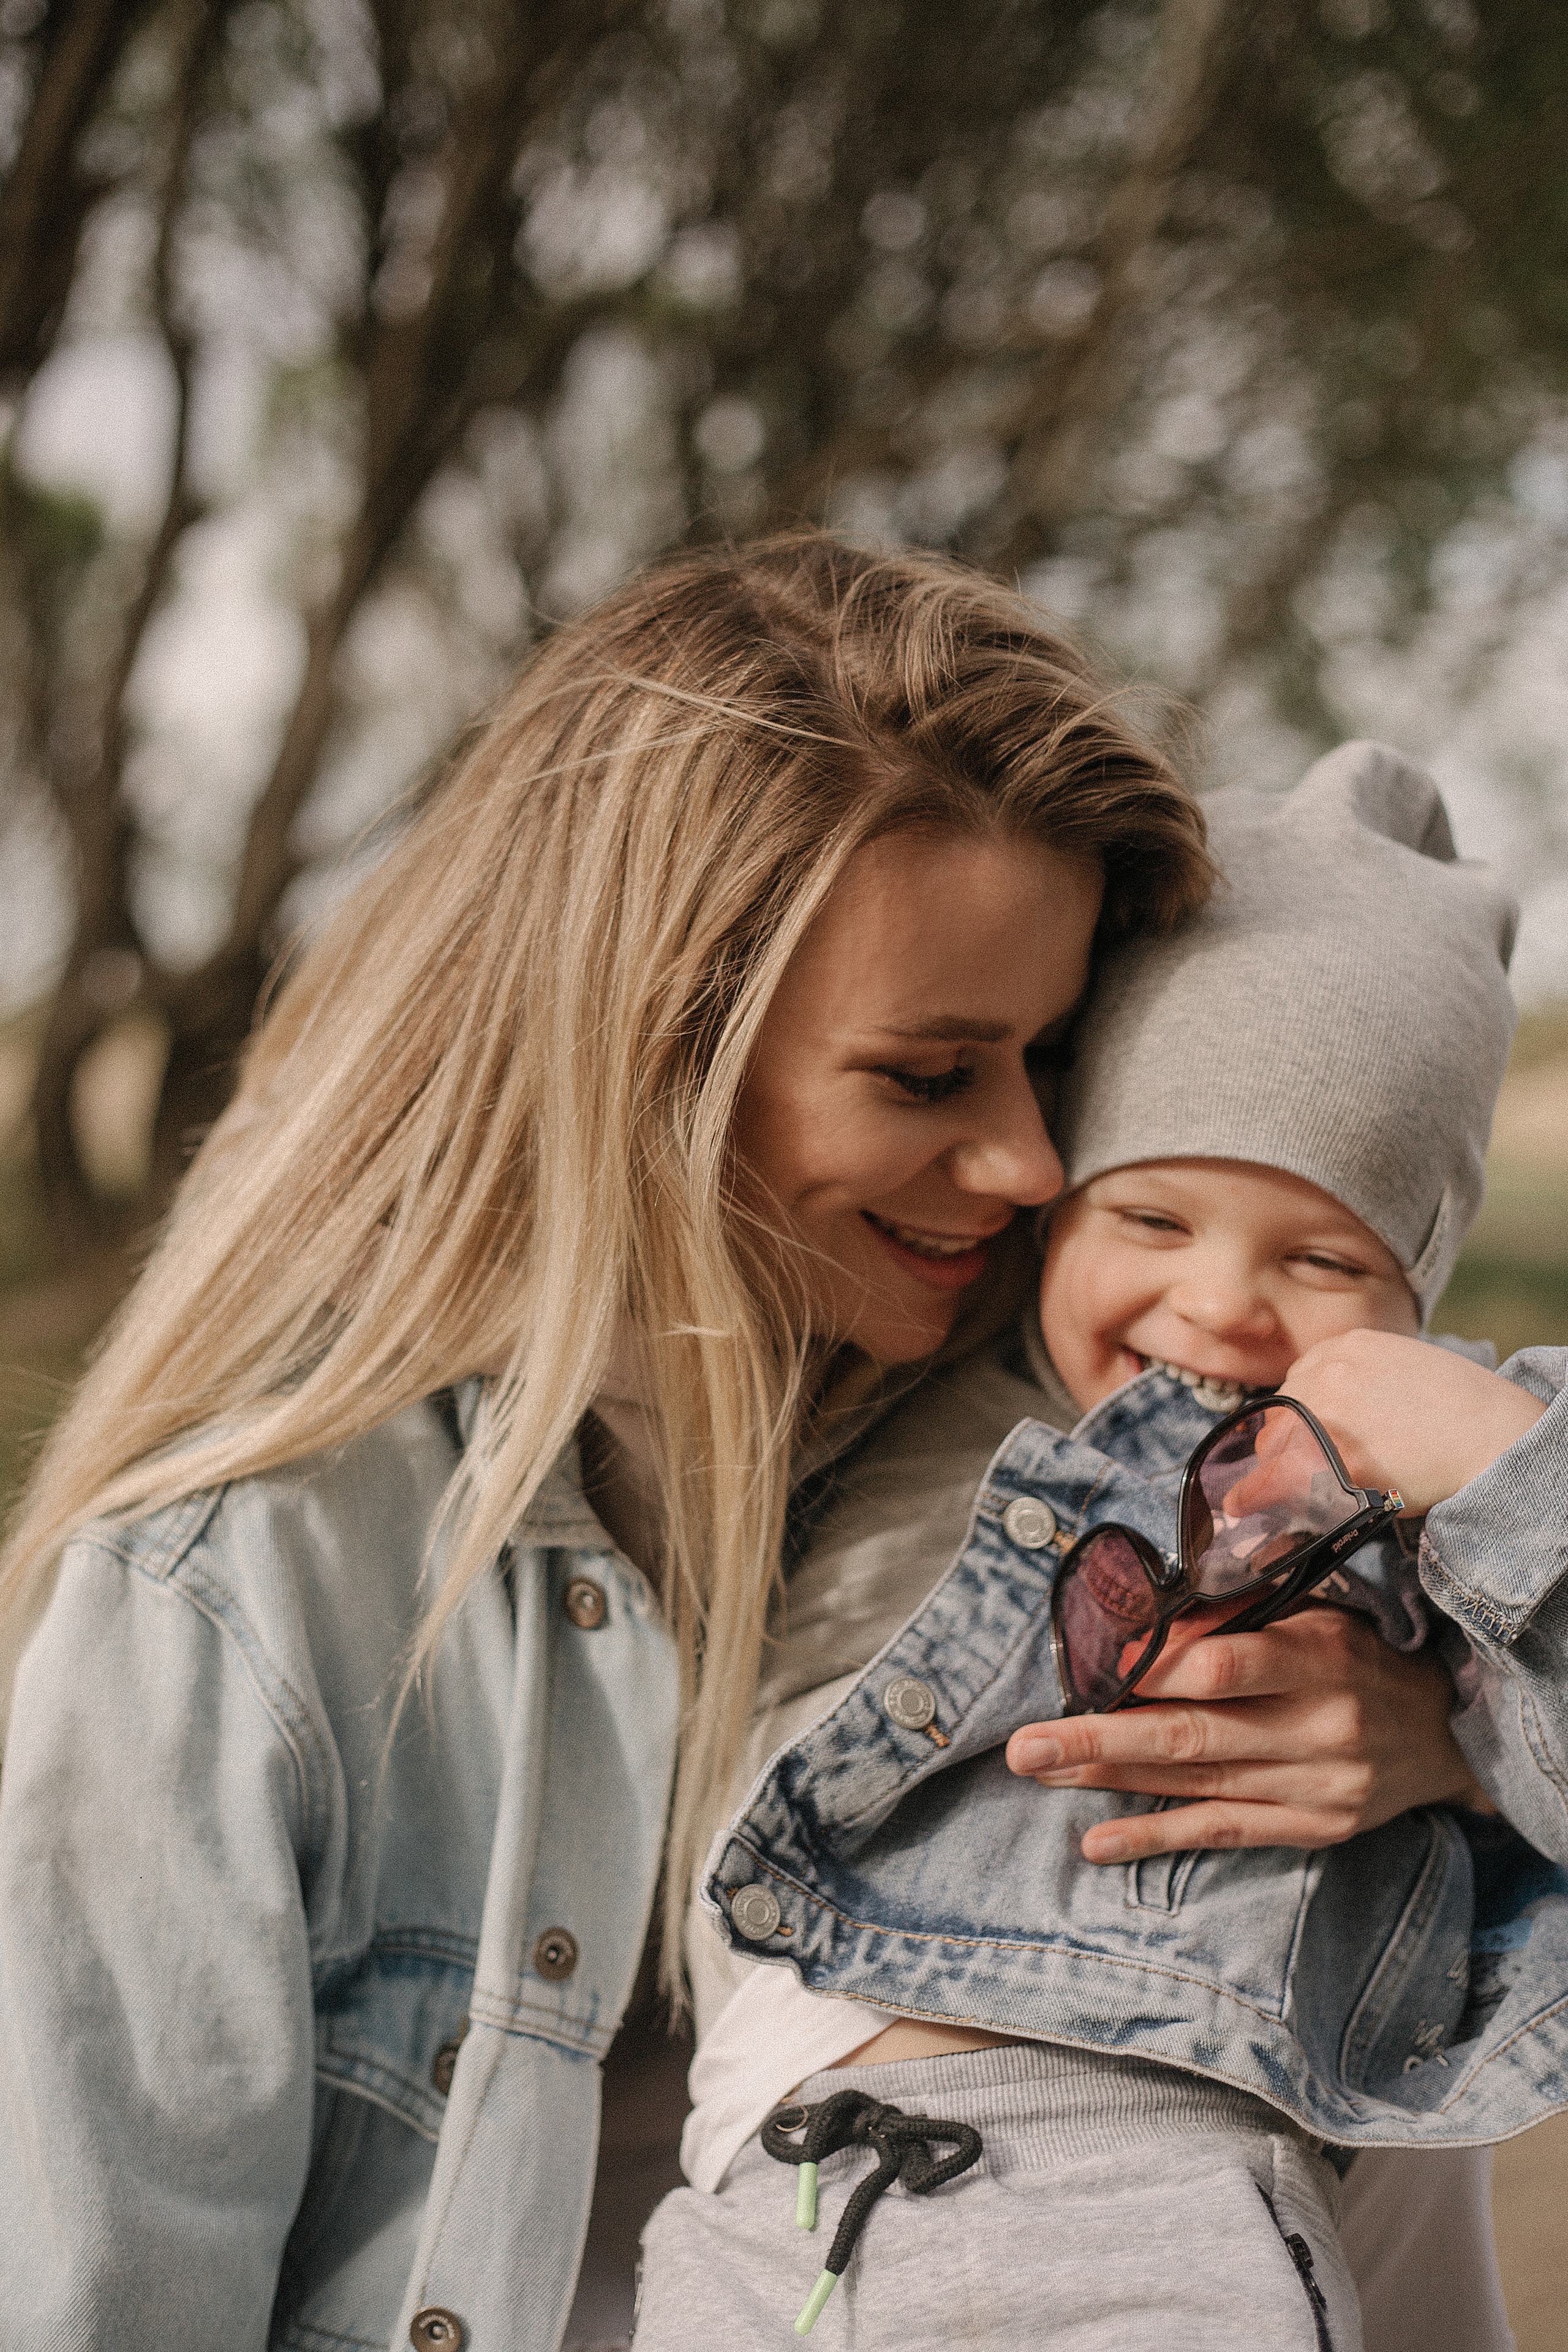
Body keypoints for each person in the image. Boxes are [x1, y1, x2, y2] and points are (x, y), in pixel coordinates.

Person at [0, 533, 1221, 2350]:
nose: (1033, 1163)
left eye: (1052, 1060)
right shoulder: (241, 1587)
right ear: (653, 1049)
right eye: (928, 1074)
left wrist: (1421, 1739)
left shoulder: (1055, 1457)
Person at [639, 744, 1563, 2352]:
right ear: (1058, 1207)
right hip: (812, 2165)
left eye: (1325, 1254)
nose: (1218, 1304)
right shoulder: (896, 1394)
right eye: (1152, 1220)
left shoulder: (1419, 1470)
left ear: (1415, 1297)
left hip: (1214, 2163)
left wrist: (1469, 1708)